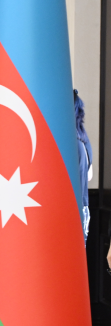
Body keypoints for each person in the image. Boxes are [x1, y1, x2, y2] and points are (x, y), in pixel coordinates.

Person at [74, 90, 93, 240]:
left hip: (74, 208)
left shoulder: (73, 144)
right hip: (82, 207)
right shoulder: (84, 141)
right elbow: (90, 175)